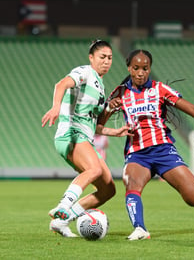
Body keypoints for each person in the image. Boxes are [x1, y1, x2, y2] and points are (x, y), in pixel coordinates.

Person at [98, 49, 194, 240]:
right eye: (136, 68)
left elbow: (193, 110)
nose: (140, 72)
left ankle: (188, 177)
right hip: (138, 154)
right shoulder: (120, 93)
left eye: (145, 68)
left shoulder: (160, 89)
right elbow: (98, 125)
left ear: (149, 69)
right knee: (132, 184)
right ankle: (140, 229)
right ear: (129, 68)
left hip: (164, 151)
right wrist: (108, 107)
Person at [41, 40, 131, 237]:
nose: (107, 61)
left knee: (108, 190)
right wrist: (56, 106)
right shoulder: (84, 72)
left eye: (110, 58)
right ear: (91, 58)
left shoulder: (100, 86)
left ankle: (61, 221)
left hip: (85, 137)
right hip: (71, 134)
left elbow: (94, 125)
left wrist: (113, 130)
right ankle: (63, 205)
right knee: (95, 169)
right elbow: (61, 84)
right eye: (102, 57)